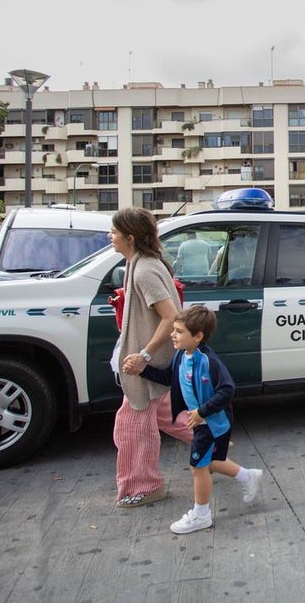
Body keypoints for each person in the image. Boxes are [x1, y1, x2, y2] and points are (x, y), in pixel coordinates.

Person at [126, 305, 263, 534]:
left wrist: (201, 412)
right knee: (209, 462)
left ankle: (201, 515)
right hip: (202, 422)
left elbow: (227, 389)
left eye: (179, 331)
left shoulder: (209, 361)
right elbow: (168, 377)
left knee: (198, 467)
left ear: (198, 336)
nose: (172, 334)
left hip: (212, 423)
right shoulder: (181, 355)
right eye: (174, 329)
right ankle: (248, 476)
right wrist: (142, 370)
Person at [113, 207, 194, 508]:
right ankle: (212, 441)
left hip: (148, 362)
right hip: (152, 360)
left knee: (132, 427)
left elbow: (170, 316)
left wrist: (144, 355)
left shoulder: (144, 270)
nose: (110, 237)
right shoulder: (144, 264)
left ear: (130, 237)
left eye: (114, 232)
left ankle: (144, 487)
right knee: (167, 414)